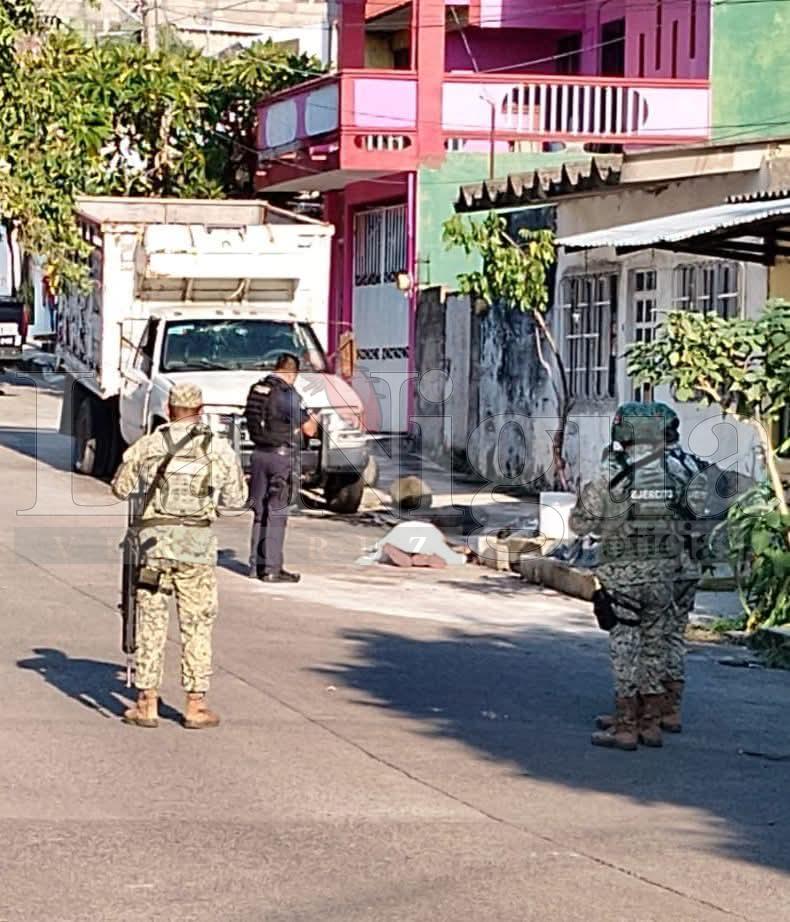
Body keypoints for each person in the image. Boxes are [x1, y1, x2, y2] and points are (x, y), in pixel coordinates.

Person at [570, 402, 705, 751]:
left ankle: (626, 727)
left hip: (623, 580)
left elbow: (580, 522)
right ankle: (652, 724)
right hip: (666, 576)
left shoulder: (611, 475)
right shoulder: (680, 473)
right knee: (656, 647)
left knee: (626, 649)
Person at [111, 383, 247, 730]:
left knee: (151, 622)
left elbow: (120, 487)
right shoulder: (217, 449)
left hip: (154, 547)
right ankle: (195, 704)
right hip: (196, 547)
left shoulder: (149, 444)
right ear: (200, 410)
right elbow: (235, 498)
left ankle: (146, 702)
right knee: (197, 623)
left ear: (170, 409)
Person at [245, 353, 317, 583]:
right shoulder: (287, 394)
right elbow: (309, 430)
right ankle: (272, 569)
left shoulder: (256, 389)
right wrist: (314, 417)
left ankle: (256, 566)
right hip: (279, 457)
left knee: (260, 512)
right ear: (292, 373)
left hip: (257, 455)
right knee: (276, 512)